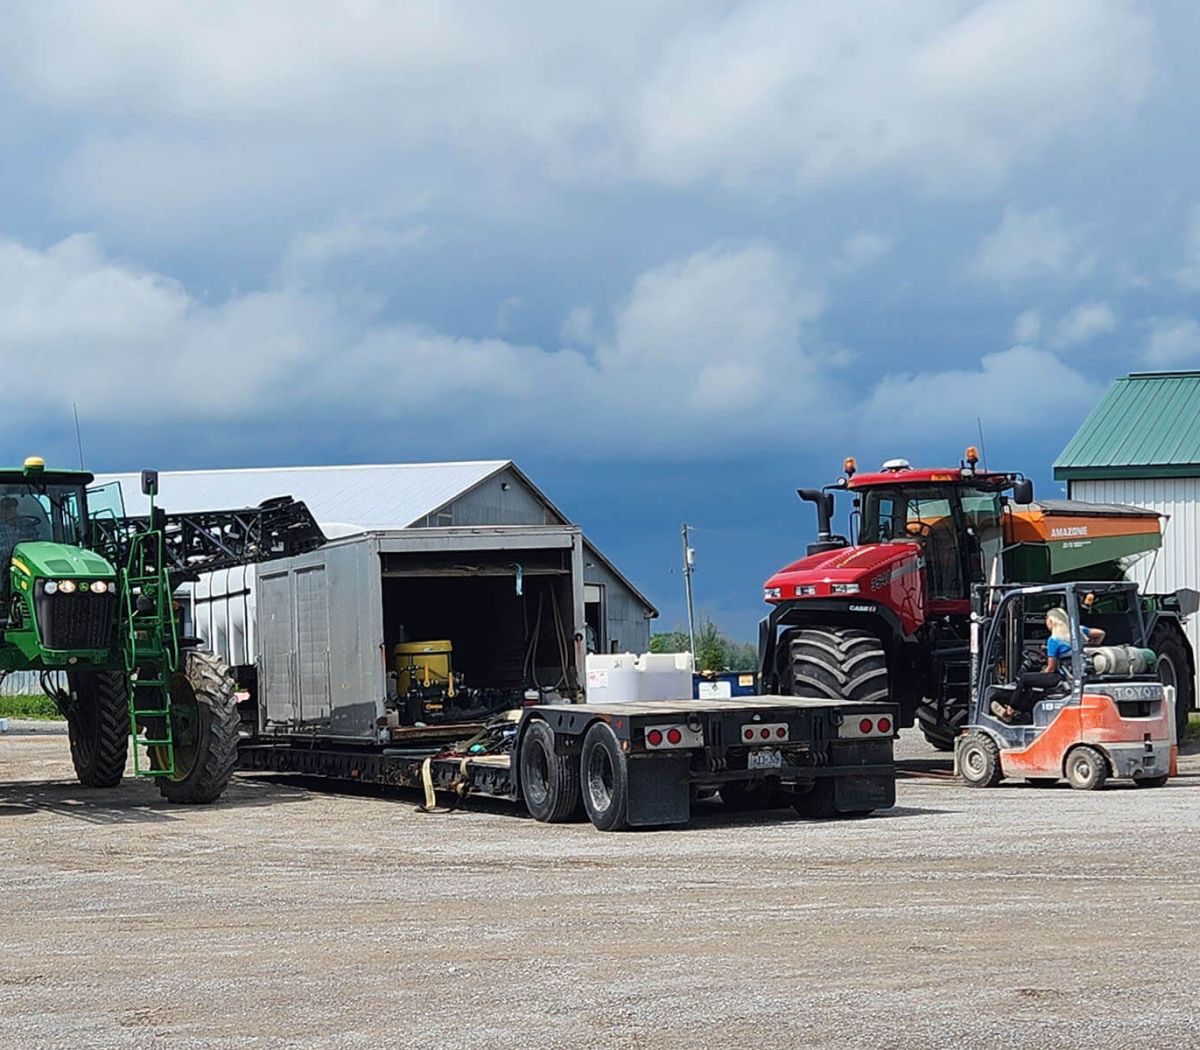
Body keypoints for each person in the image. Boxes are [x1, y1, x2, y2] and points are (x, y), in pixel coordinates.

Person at [992, 603, 1106, 723]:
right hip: (1075, 674)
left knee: (1025, 679)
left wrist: (1042, 671)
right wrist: (1092, 646)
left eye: (1046, 619)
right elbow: (1101, 633)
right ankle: (1024, 713)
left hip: (1062, 677)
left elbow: (1050, 669)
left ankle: (1010, 711)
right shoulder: (1079, 631)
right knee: (1033, 680)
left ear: (1052, 621)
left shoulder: (1054, 640)